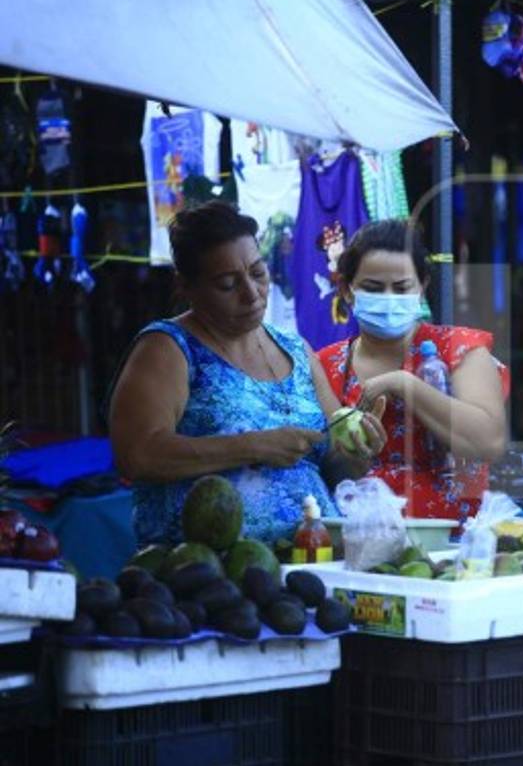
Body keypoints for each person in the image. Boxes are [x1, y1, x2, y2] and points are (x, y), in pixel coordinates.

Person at [110, 201, 386, 546]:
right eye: (227, 284)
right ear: (186, 287)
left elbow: (334, 463)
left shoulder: (296, 350)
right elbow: (137, 455)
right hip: (205, 575)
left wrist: (357, 452)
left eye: (258, 273)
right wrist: (254, 446)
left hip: (313, 562)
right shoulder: (167, 348)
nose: (251, 293)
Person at [318, 219, 509, 522]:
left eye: (402, 287)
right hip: (358, 538)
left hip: (452, 541)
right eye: (373, 287)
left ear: (422, 288)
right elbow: (323, 463)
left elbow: (488, 443)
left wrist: (404, 384)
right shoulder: (325, 364)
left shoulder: (460, 349)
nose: (389, 298)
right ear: (346, 289)